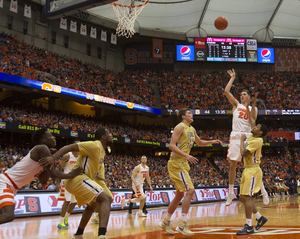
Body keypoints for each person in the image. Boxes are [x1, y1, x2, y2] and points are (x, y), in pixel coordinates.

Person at [40, 128, 113, 239]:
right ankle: (102, 235)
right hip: (77, 178)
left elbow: (93, 171)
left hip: (83, 179)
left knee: (93, 205)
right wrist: (53, 158)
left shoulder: (102, 151)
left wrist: (102, 180)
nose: (111, 135)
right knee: (105, 199)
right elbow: (69, 147)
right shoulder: (94, 145)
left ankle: (78, 234)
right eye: (109, 133)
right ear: (103, 137)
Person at [159, 108, 222, 236]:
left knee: (179, 195)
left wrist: (212, 141)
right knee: (190, 191)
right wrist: (186, 156)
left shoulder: (192, 129)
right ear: (183, 116)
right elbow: (171, 146)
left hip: (183, 164)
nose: (191, 115)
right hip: (177, 164)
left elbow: (199, 142)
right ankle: (182, 224)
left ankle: (166, 221)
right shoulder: (179, 127)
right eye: (188, 113)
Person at [0, 128, 81, 224]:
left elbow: (43, 180)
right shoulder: (42, 148)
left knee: (5, 213)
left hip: (12, 185)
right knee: (8, 215)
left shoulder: (44, 153)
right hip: (6, 182)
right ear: (44, 140)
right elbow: (54, 173)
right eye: (51, 135)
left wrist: (50, 161)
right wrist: (71, 174)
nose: (54, 137)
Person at [224, 69, 268, 206]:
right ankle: (230, 193)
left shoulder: (253, 109)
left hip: (248, 135)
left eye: (244, 94)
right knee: (232, 165)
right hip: (236, 134)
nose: (242, 96)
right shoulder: (236, 104)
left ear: (248, 97)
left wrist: (251, 106)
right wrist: (232, 78)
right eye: (241, 95)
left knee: (253, 166)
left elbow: (253, 123)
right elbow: (226, 92)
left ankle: (263, 191)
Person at [236, 123, 269, 235]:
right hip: (247, 169)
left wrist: (241, 141)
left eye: (257, 127)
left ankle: (249, 226)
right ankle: (259, 218)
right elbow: (251, 122)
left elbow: (243, 153)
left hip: (253, 171)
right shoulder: (252, 137)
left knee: (247, 197)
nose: (254, 127)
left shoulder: (257, 140)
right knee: (242, 198)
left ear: (260, 133)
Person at [56, 140, 80, 229]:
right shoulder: (67, 156)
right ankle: (61, 222)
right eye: (76, 145)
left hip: (76, 181)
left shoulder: (82, 157)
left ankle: (66, 218)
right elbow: (59, 169)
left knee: (75, 202)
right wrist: (57, 182)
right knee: (67, 200)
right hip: (66, 180)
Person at [90, 156, 114, 224]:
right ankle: (96, 215)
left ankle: (95, 216)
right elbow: (94, 175)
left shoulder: (101, 161)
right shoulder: (98, 161)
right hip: (98, 182)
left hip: (101, 182)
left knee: (104, 199)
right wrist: (104, 179)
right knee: (109, 198)